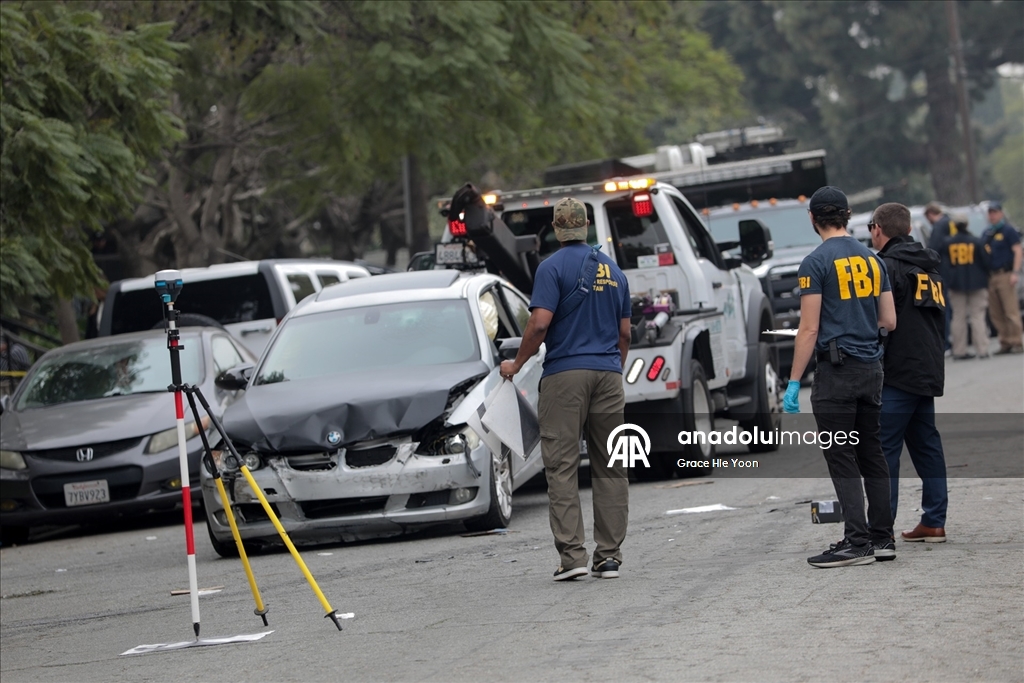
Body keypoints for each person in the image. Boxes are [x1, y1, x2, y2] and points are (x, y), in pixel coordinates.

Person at [500, 197, 632, 581]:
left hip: (564, 376)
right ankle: (608, 557)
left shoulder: (550, 268)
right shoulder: (615, 271)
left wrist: (517, 363)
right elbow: (625, 333)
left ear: (557, 228)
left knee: (561, 466)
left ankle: (572, 557)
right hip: (608, 375)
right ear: (587, 225)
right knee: (611, 466)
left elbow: (540, 324)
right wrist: (612, 369)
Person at [783, 186, 897, 568]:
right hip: (871, 368)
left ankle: (857, 541)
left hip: (836, 372)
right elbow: (889, 321)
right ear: (848, 216)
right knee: (872, 454)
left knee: (842, 457)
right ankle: (883, 539)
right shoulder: (873, 259)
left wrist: (794, 381)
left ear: (813, 218)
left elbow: (809, 329)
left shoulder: (815, 263)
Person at [871, 202, 949, 545]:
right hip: (927, 367)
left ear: (878, 229)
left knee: (883, 449)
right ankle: (933, 521)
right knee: (926, 445)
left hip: (899, 370)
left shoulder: (886, 267)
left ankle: (880, 530)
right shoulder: (928, 266)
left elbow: (882, 321)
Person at [944, 213, 991, 360]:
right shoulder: (976, 241)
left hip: (956, 284)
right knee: (978, 316)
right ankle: (982, 350)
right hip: (977, 283)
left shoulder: (948, 243)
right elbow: (986, 261)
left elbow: (945, 265)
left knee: (958, 317)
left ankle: (959, 350)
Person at [982, 202, 1023, 354]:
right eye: (990, 213)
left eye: (995, 212)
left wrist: (1015, 272)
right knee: (996, 312)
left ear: (1001, 213)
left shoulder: (1008, 231)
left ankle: (1016, 341)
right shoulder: (987, 233)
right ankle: (1005, 341)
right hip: (991, 276)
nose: (992, 215)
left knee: (1010, 310)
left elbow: (1018, 251)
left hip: (1005, 274)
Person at [925, 202, 955, 353]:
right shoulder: (950, 223)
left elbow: (933, 250)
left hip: (942, 271)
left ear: (931, 214)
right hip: (954, 270)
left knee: (943, 307)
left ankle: (946, 342)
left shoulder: (939, 227)